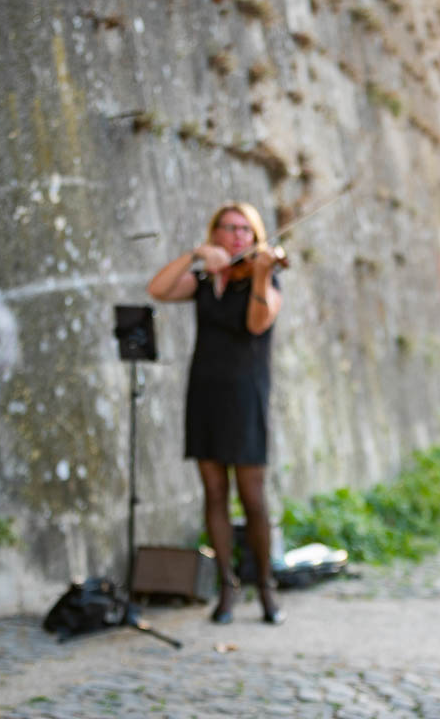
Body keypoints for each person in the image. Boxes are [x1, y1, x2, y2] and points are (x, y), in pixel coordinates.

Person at [146, 201, 286, 625]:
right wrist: (194, 256)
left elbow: (259, 323)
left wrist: (261, 271)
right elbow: (158, 289)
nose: (237, 236)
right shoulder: (206, 278)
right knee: (213, 493)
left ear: (256, 236)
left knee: (253, 497)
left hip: (245, 395)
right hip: (204, 391)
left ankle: (265, 585)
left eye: (245, 229)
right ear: (216, 234)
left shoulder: (265, 276)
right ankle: (227, 586)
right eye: (228, 228)